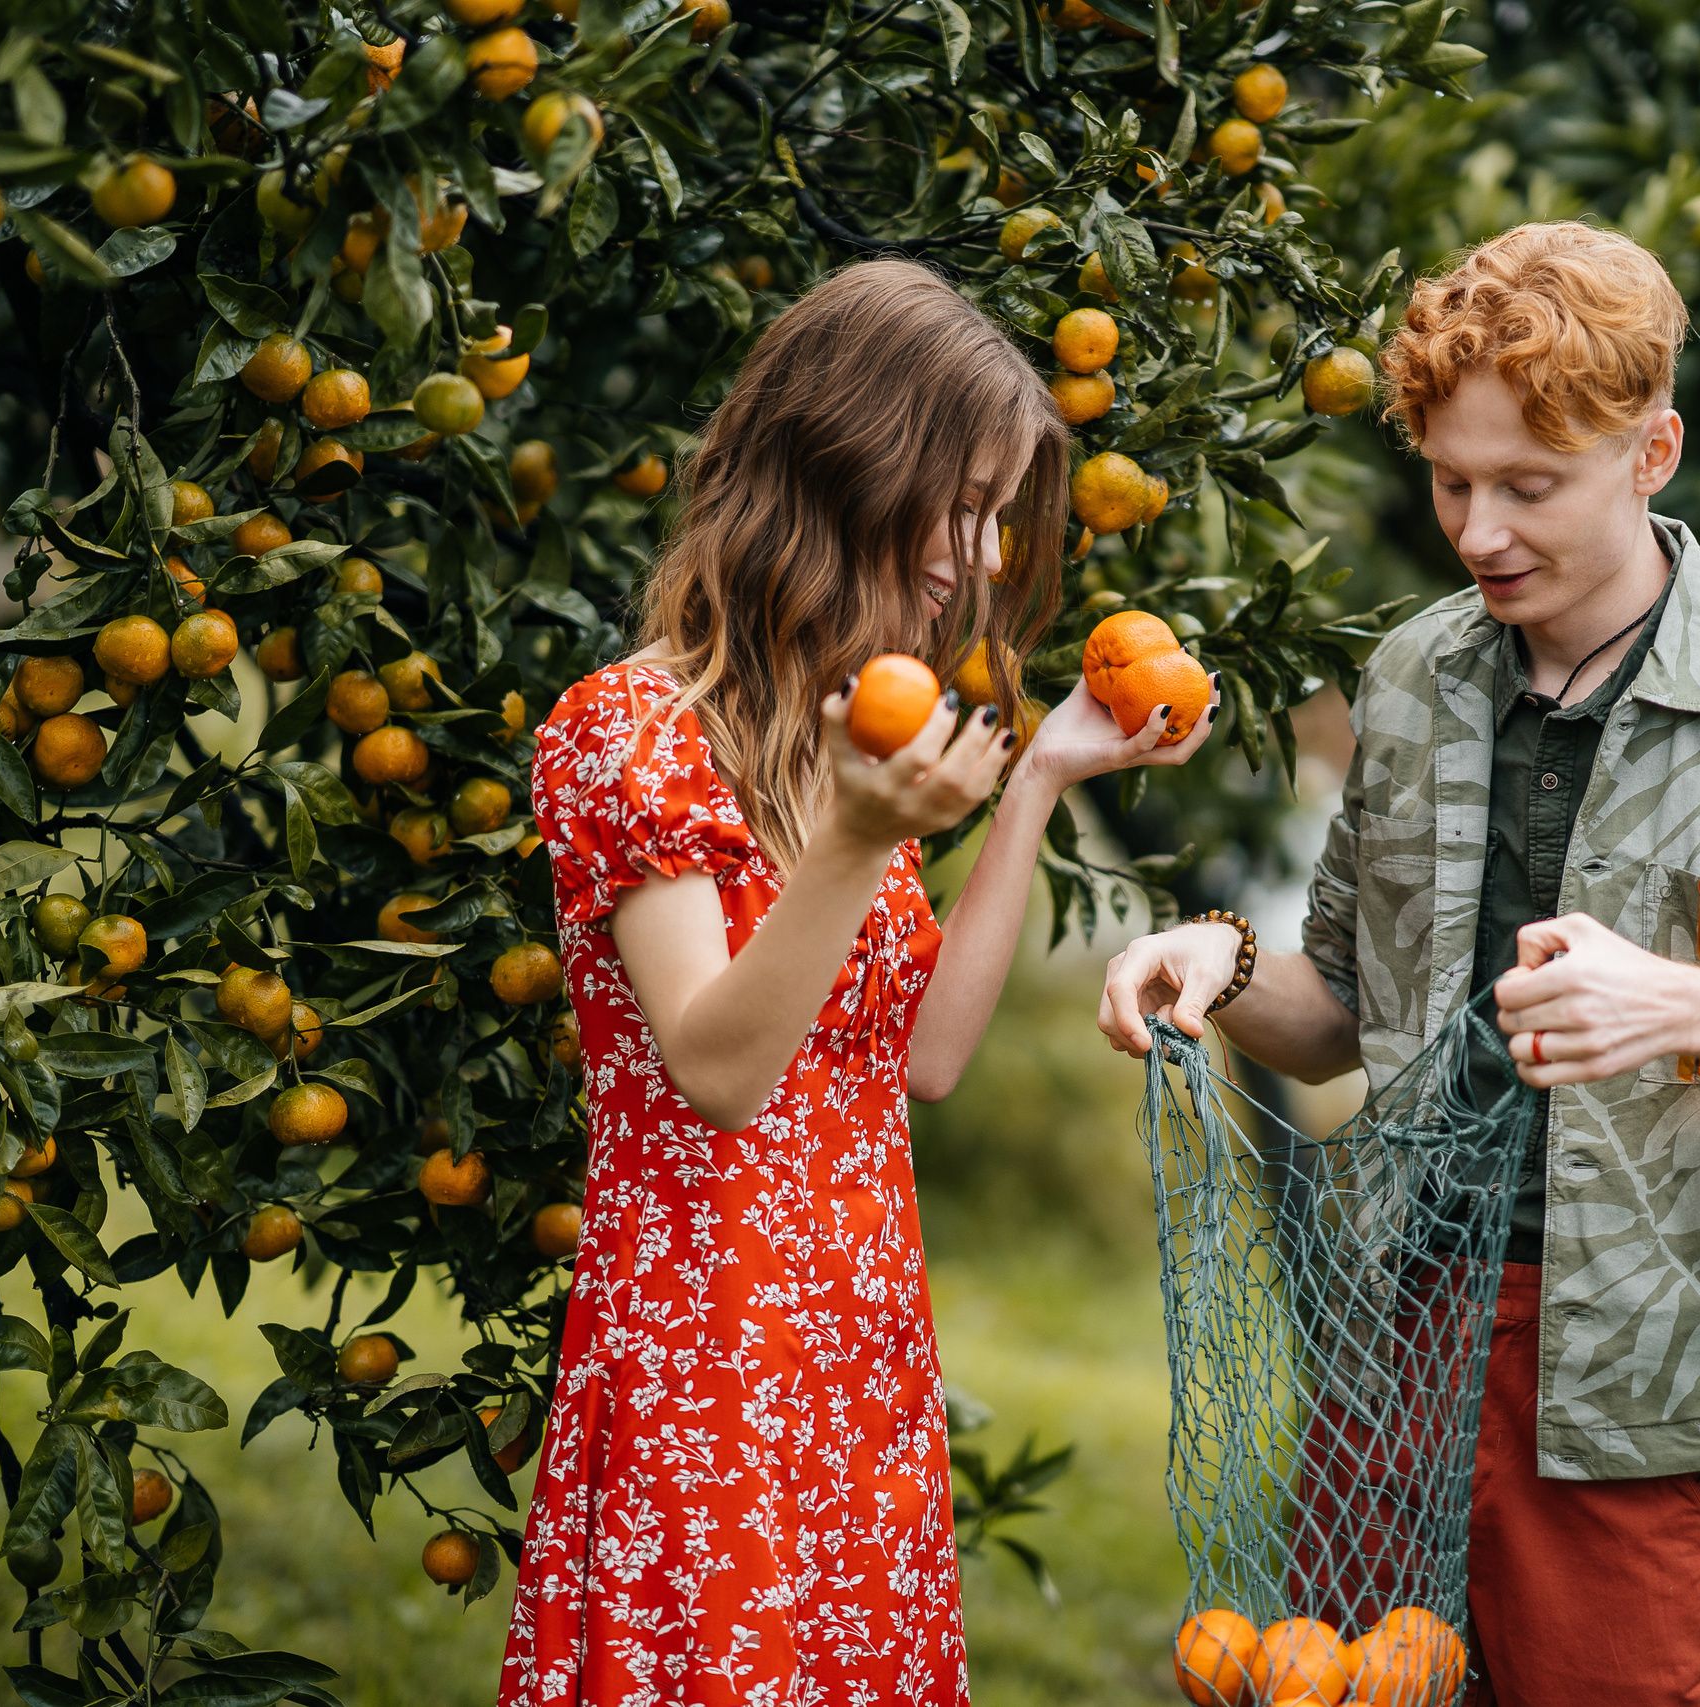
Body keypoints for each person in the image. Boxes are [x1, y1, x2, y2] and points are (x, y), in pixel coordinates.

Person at [1097, 222, 1700, 1705]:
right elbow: (1336, 1018)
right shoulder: (1415, 675)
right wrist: (1217, 956)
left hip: (1639, 1395)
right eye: (1452, 482)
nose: (1479, 534)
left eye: (1530, 487)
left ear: (1654, 452)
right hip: (1394, 1346)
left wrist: (1697, 1004)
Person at [501, 259, 1215, 1707]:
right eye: (968, 504)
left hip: (856, 1351)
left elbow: (921, 1062)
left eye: (1000, 515)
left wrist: (1036, 779)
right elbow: (717, 1072)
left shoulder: (835, 749)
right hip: (711, 1359)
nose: (984, 555)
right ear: (853, 461)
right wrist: (859, 836)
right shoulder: (630, 731)